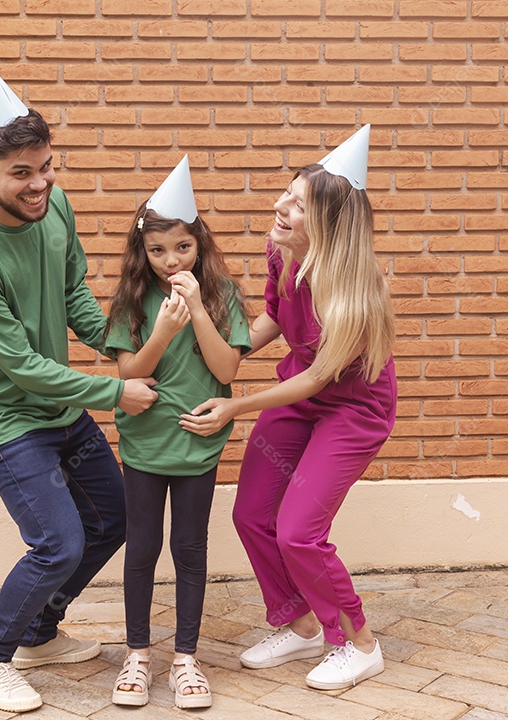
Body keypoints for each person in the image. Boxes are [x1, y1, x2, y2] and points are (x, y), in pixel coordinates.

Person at [0, 59, 158, 713]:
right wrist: (116, 392)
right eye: (21, 173)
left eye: (46, 167)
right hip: (4, 421)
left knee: (113, 519)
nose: (39, 184)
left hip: (59, 408)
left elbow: (73, 297)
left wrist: (124, 346)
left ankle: (38, 634)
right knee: (58, 542)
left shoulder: (54, 206)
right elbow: (22, 365)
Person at [180, 126, 397, 690]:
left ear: (327, 225)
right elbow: (276, 318)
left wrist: (237, 405)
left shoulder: (355, 288)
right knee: (252, 515)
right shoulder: (283, 252)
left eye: (298, 205)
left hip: (352, 411)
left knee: (299, 532)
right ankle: (300, 625)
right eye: (287, 193)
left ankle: (358, 643)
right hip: (299, 397)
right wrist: (228, 349)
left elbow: (319, 375)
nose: (281, 206)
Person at [103, 157, 250, 709]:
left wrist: (196, 309)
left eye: (183, 247)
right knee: (141, 548)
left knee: (189, 548)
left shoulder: (223, 294)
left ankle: (186, 658)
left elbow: (227, 368)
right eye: (158, 250)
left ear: (199, 244)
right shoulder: (131, 300)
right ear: (142, 251)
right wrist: (163, 329)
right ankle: (138, 655)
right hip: (144, 444)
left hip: (198, 445)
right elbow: (129, 372)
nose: (171, 260)